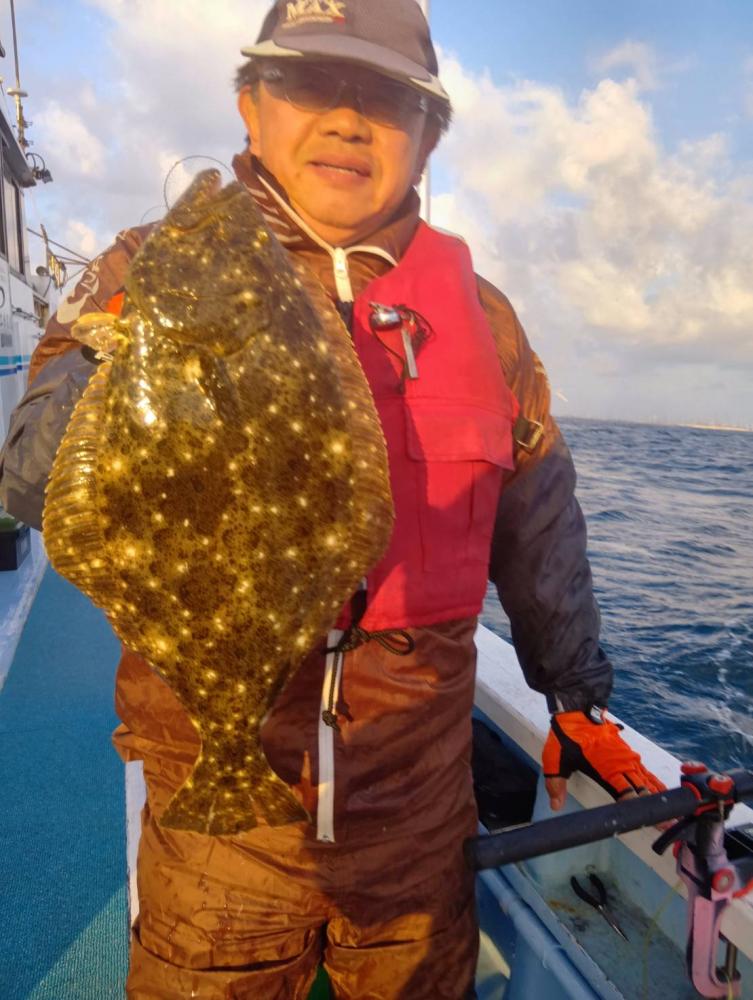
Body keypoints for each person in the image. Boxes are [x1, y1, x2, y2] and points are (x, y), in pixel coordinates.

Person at [0, 1, 665, 996]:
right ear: (250, 105)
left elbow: (539, 520)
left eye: (387, 100)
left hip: (419, 814)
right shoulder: (143, 267)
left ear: (429, 136)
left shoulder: (482, 317)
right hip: (217, 822)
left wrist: (574, 693)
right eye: (311, 84)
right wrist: (131, 355)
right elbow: (29, 479)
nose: (349, 118)